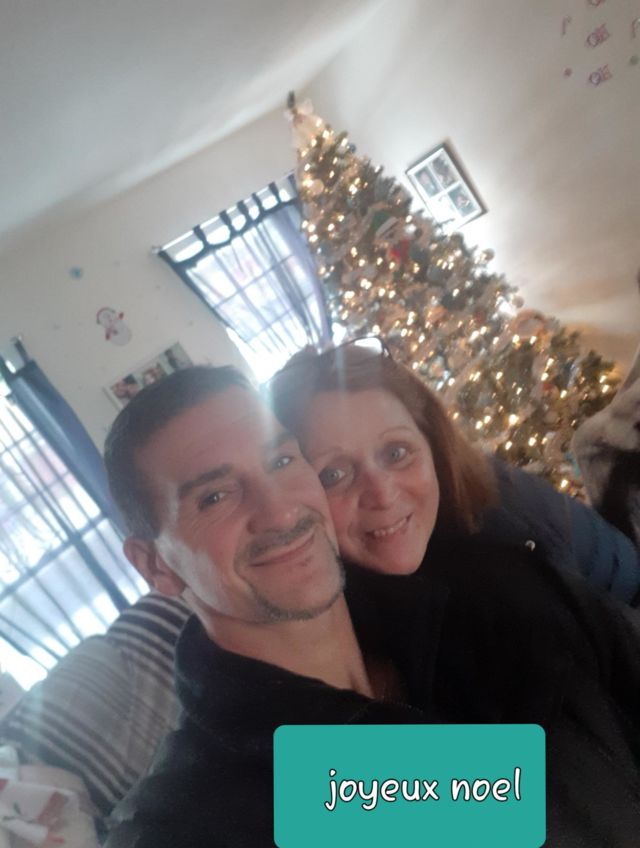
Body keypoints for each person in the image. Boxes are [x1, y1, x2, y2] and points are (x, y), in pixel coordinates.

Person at [104, 364, 640, 847]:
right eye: (214, 497)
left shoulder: (493, 586)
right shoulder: (191, 820)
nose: (280, 511)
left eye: (281, 461)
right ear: (156, 566)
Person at [268, 337, 640, 604]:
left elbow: (626, 577)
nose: (382, 493)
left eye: (397, 452)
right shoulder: (328, 633)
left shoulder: (506, 497)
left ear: (432, 443)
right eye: (333, 475)